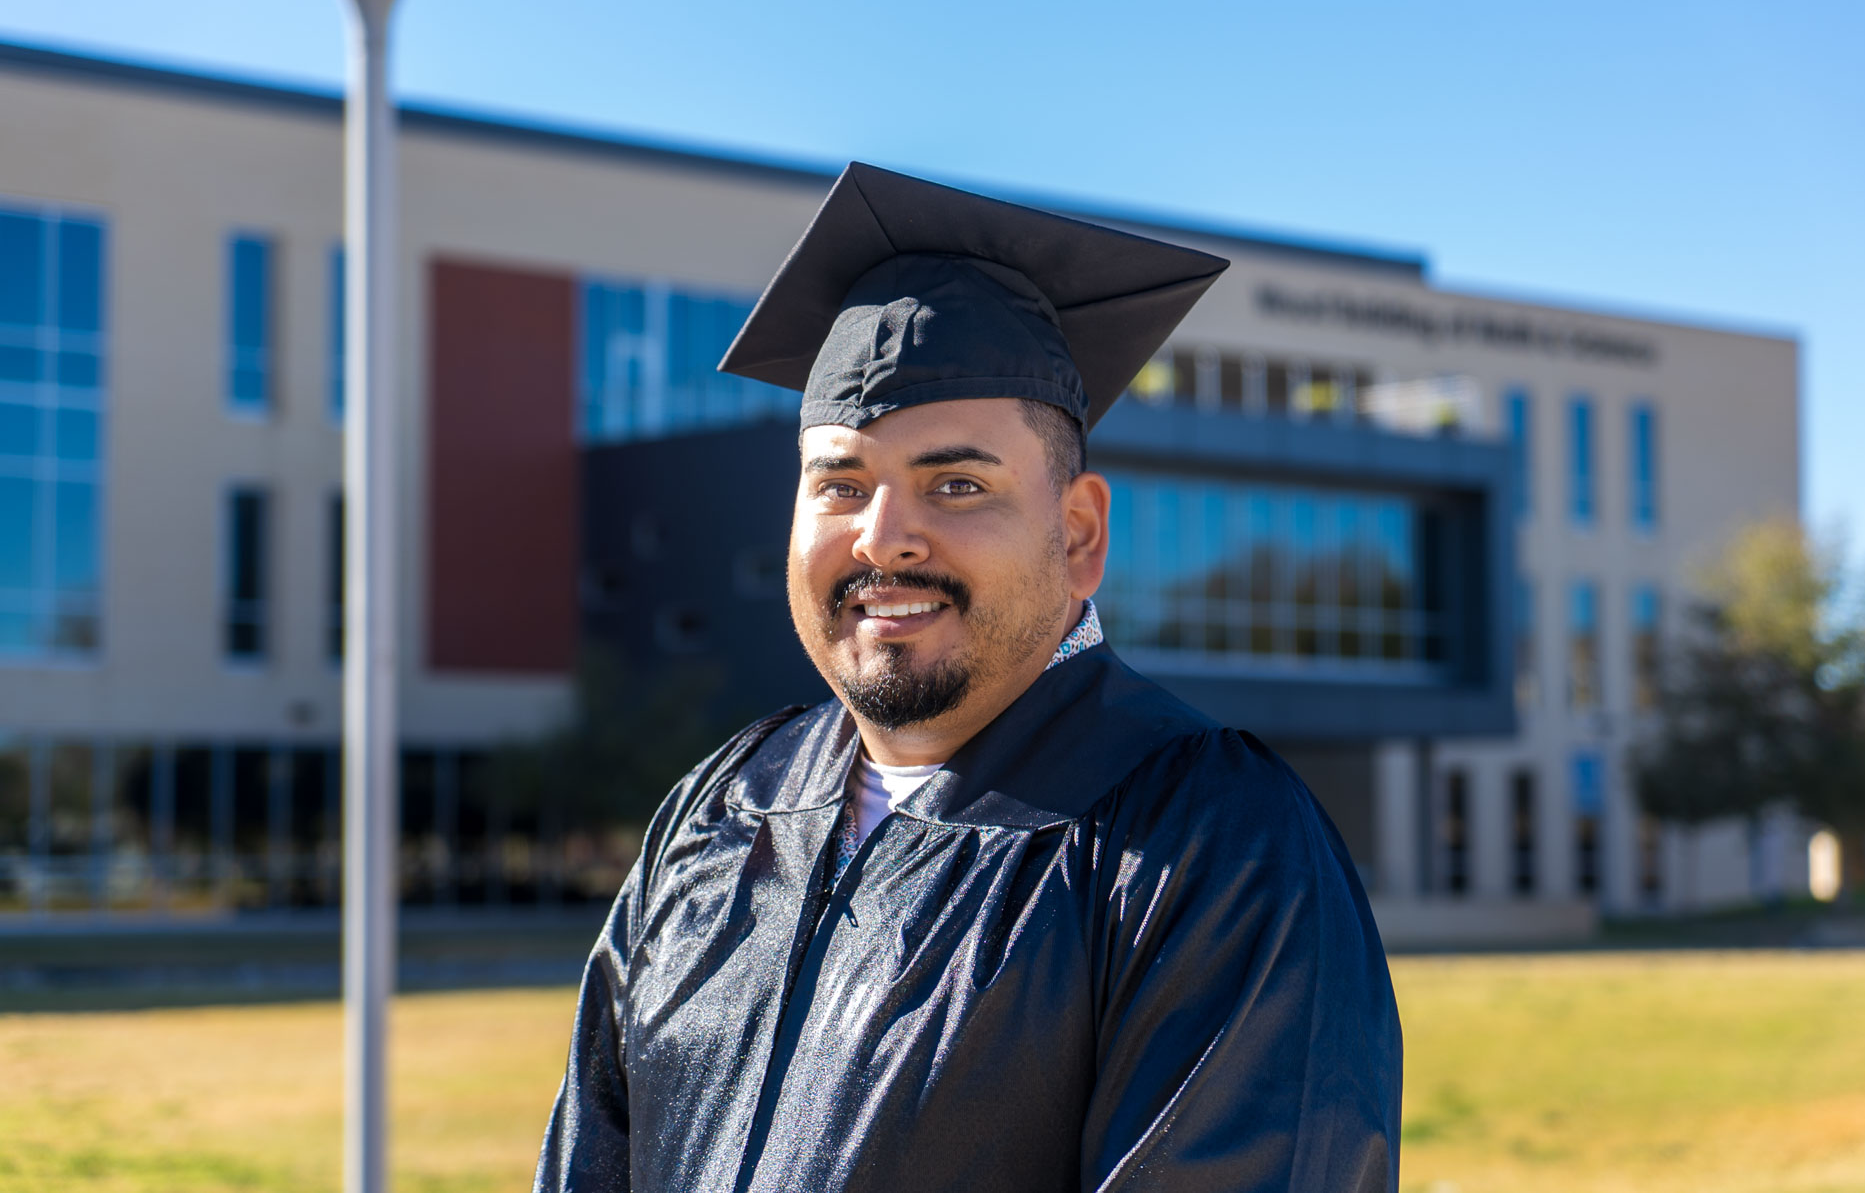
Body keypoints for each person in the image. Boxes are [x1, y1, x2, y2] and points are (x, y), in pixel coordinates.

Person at [535, 163, 1401, 1192]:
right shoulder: (722, 808)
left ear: (1078, 533)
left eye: (955, 483)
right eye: (840, 484)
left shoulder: (1211, 843)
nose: (883, 538)